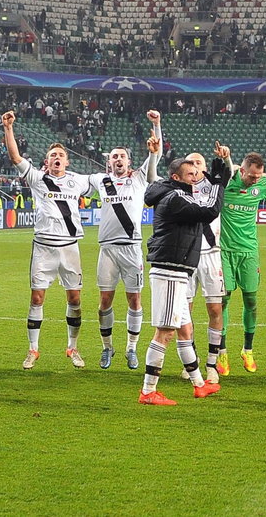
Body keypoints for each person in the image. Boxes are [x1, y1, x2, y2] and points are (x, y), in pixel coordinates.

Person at [3, 111, 96, 370]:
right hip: (43, 248)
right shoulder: (36, 178)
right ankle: (33, 349)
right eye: (53, 155)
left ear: (67, 161)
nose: (57, 158)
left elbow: (105, 184)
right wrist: (8, 128)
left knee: (75, 299)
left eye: (61, 155)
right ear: (47, 161)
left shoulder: (78, 181)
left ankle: (72, 347)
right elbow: (15, 157)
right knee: (37, 299)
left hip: (69, 248)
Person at [138, 158, 227, 405]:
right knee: (164, 333)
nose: (196, 177)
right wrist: (218, 182)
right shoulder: (176, 198)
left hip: (177, 271)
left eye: (198, 172)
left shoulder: (175, 194)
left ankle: (199, 384)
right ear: (177, 177)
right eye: (190, 174)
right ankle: (148, 391)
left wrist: (219, 179)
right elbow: (210, 210)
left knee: (185, 330)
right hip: (169, 271)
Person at [89, 110, 162, 370]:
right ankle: (107, 348)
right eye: (114, 156)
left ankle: (131, 349)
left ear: (129, 161)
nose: (118, 159)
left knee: (135, 300)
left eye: (122, 156)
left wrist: (156, 125)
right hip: (107, 250)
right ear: (108, 162)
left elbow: (156, 155)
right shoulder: (100, 180)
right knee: (105, 301)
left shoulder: (139, 178)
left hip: (131, 249)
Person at [218, 151, 266, 374]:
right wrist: (226, 160)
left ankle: (248, 349)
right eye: (252, 176)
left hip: (249, 252)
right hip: (224, 251)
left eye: (259, 176)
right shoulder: (225, 184)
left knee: (251, 300)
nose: (256, 180)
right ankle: (221, 352)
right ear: (242, 170)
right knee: (223, 300)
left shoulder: (263, 186)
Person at [182, 147, 233, 381]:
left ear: (204, 167)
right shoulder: (179, 189)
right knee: (185, 312)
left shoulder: (214, 187)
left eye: (198, 162)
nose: (194, 165)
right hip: (186, 256)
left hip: (211, 255)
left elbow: (229, 173)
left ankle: (212, 363)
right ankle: (191, 362)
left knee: (215, 309)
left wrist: (226, 158)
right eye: (190, 163)